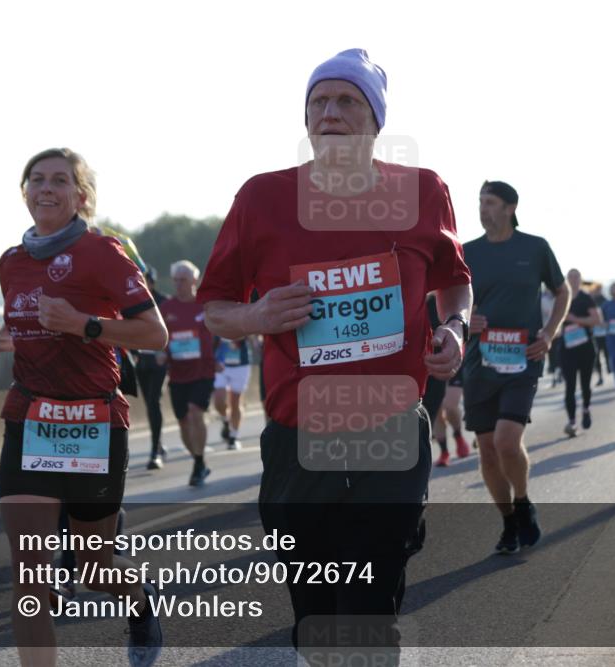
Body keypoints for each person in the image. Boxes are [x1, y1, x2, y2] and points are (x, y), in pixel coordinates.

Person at [197, 49, 472, 658]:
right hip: (300, 441)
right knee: (316, 623)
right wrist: (258, 316)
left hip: (390, 433)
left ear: (375, 119)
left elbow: (455, 280)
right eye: (318, 101)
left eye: (347, 100)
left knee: (371, 615)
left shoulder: (423, 191)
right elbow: (215, 307)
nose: (330, 113)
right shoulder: (263, 197)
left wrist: (455, 326)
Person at [0, 148, 167, 667]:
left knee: (94, 567)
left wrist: (85, 324)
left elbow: (155, 334)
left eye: (59, 180)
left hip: (94, 422)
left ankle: (141, 601)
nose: (46, 188)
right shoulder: (11, 261)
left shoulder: (104, 252)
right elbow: (32, 330)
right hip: (30, 419)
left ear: (81, 196)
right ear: (25, 192)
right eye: (36, 179)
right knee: (30, 577)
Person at [464, 180, 570, 555]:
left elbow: (562, 291)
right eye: (480, 202)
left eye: (490, 202)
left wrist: (550, 332)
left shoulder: (535, 248)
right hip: (479, 362)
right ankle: (509, 521)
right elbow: (448, 297)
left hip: (523, 359)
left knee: (507, 442)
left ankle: (522, 500)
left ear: (510, 208)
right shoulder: (467, 252)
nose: (483, 209)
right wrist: (464, 319)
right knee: (487, 450)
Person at [159, 259, 216, 486]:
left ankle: (199, 463)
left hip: (203, 371)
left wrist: (219, 359)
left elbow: (221, 332)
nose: (178, 284)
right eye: (175, 280)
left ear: (194, 280)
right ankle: (198, 460)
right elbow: (159, 337)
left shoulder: (205, 305)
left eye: (183, 280)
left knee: (195, 411)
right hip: (178, 373)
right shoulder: (166, 308)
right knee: (183, 421)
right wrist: (161, 353)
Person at [133, 266, 170, 469]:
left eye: (144, 278)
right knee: (149, 403)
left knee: (154, 401)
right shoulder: (130, 300)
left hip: (159, 360)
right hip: (141, 360)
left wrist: (166, 351)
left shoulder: (163, 302)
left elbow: (173, 328)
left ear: (152, 282)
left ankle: (155, 451)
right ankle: (159, 444)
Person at [559, 269, 603, 436]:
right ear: (566, 279)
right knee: (569, 386)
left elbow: (596, 320)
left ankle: (585, 409)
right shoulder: (561, 297)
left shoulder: (586, 298)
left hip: (586, 348)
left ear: (580, 279)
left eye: (576, 276)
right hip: (567, 348)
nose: (573, 279)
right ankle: (572, 421)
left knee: (585, 384)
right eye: (570, 276)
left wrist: (575, 319)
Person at [422, 293, 450, 466]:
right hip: (410, 368)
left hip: (439, 363)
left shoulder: (439, 298)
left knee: (442, 410)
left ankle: (450, 444)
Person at [213, 334, 252, 450]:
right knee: (219, 402)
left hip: (241, 365)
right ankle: (225, 421)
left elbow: (253, 335)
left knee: (235, 402)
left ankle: (233, 437)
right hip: (222, 365)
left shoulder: (244, 322)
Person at [589, 283, 609, 386]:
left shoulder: (605, 301)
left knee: (606, 353)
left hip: (605, 333)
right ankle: (600, 377)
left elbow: (609, 315)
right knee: (596, 356)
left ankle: (609, 368)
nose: (597, 292)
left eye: (599, 290)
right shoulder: (589, 301)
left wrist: (605, 323)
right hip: (594, 334)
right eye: (595, 290)